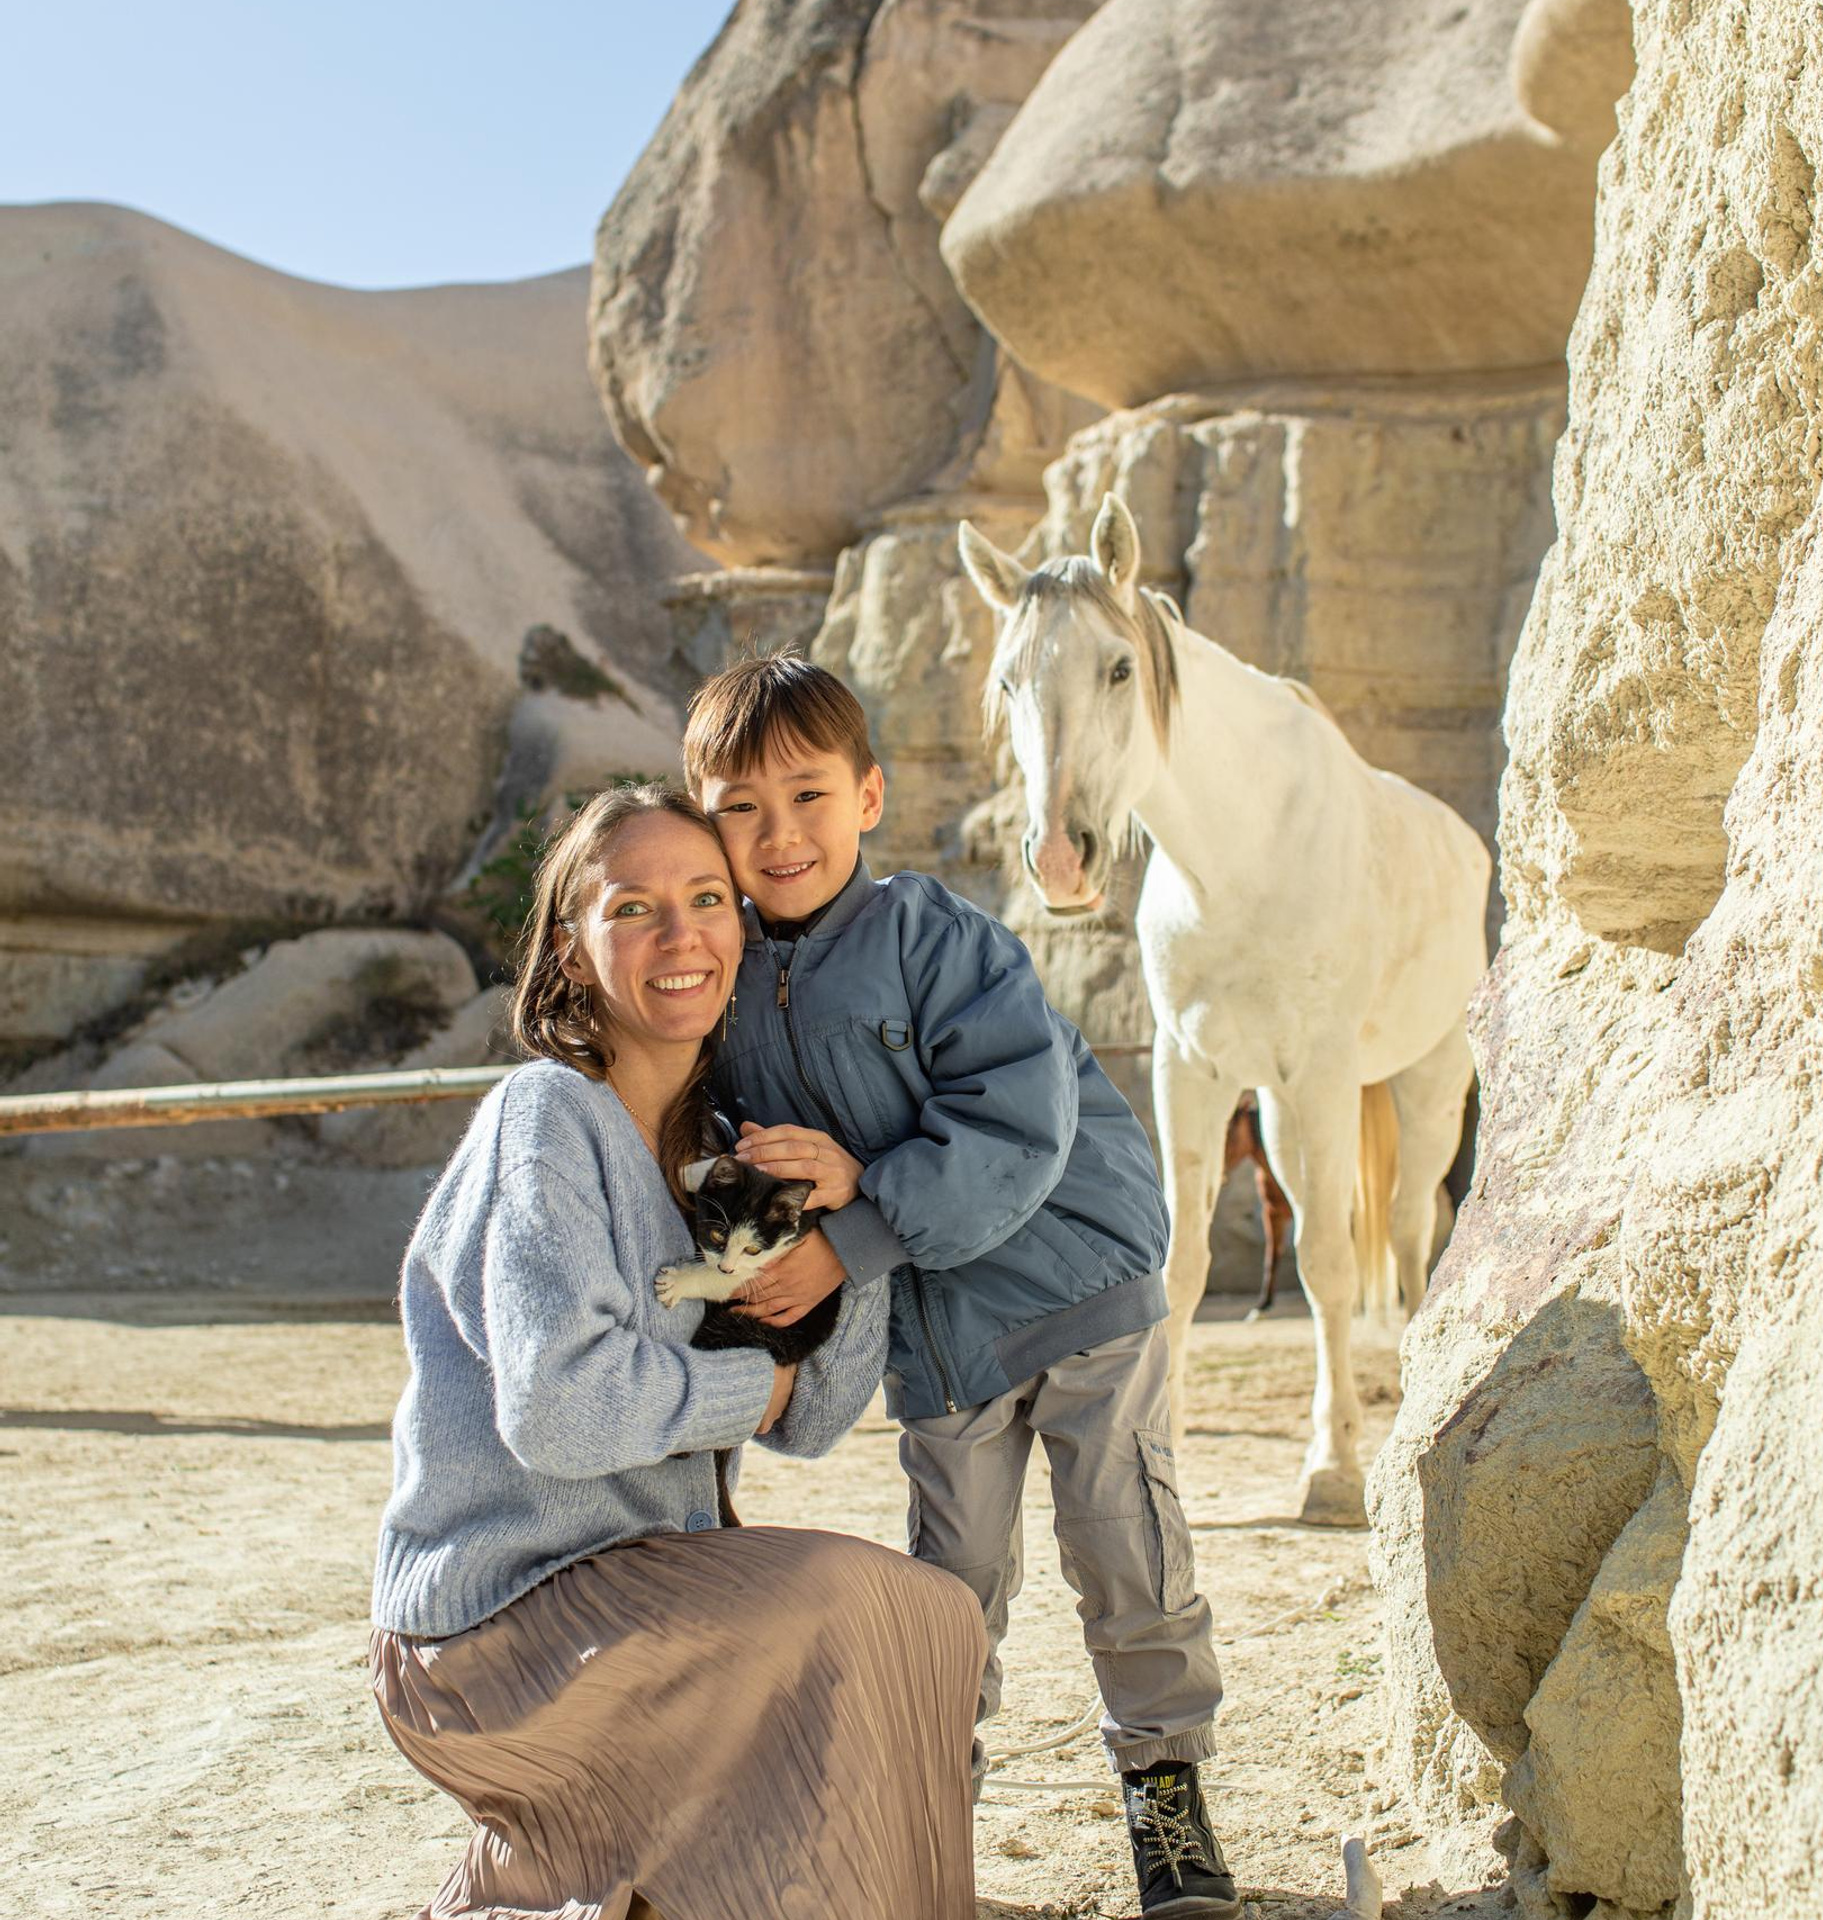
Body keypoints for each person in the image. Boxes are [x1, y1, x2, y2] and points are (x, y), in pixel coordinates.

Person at [685, 657, 1243, 1919]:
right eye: (740, 808)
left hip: (1077, 1289)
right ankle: (930, 1810)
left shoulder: (937, 938)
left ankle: (1166, 1793)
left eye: (809, 796)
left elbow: (1016, 1122)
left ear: (869, 796)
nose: (780, 835)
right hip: (937, 1347)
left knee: (1127, 1547)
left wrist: (859, 1223)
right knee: (950, 1587)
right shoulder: (724, 987)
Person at [368, 782, 984, 1920]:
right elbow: (560, 1410)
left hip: (652, 1592)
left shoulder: (724, 1151)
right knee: (843, 1602)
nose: (679, 935)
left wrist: (846, 1225)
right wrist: (755, 1385)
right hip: (497, 1623)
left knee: (934, 1614)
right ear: (572, 949)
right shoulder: (546, 1118)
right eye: (633, 909)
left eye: (706, 899)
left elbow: (815, 1415)